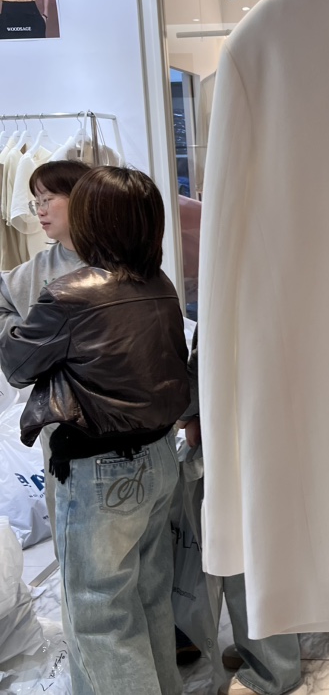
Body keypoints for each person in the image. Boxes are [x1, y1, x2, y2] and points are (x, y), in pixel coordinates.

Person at [0, 166, 191, 695]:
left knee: (99, 615)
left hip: (100, 472)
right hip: (158, 458)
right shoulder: (158, 285)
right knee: (148, 598)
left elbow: (16, 365)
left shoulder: (69, 294)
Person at [179, 329, 303, 695]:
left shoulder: (238, 288)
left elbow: (212, 350)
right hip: (282, 413)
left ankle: (272, 667)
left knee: (247, 544)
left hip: (244, 422)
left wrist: (189, 411)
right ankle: (273, 647)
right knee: (275, 538)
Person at [0, 159, 91, 542]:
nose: (39, 209)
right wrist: (27, 340)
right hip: (64, 429)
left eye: (48, 198)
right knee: (73, 543)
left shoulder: (122, 259)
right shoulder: (38, 269)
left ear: (82, 198)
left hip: (133, 433)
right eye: (35, 200)